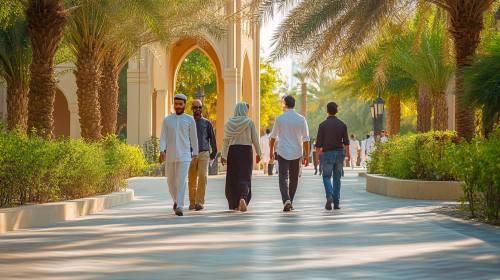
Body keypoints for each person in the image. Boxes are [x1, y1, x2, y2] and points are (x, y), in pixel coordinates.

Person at [159, 94, 198, 217]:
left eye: (180, 104)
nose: (178, 106)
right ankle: (176, 200)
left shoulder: (190, 120)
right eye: (176, 104)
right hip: (170, 155)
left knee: (182, 180)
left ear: (185, 105)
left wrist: (195, 153)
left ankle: (180, 206)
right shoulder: (167, 120)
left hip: (185, 155)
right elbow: (163, 136)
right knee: (171, 181)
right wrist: (162, 151)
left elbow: (194, 138)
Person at [269, 95, 310, 212]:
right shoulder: (301, 119)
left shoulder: (280, 118)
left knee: (283, 176)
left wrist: (272, 150)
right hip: (297, 152)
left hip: (283, 151)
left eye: (282, 103)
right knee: (294, 178)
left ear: (285, 104)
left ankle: (286, 200)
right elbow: (306, 138)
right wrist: (306, 155)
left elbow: (273, 136)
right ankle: (289, 200)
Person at [221, 102, 262, 211]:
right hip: (246, 152)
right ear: (244, 110)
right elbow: (255, 139)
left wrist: (223, 155)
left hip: (233, 151)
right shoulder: (249, 123)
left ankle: (234, 204)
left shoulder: (229, 122)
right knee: (245, 176)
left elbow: (226, 140)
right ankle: (243, 198)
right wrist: (259, 153)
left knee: (232, 178)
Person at [315, 102, 349, 210]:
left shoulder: (322, 125)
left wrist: (316, 157)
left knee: (326, 176)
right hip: (339, 154)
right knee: (337, 178)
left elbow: (318, 144)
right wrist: (346, 154)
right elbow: (346, 142)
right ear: (337, 111)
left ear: (327, 111)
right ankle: (337, 203)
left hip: (327, 154)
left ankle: (329, 196)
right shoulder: (343, 124)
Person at [188, 99, 217, 211]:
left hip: (204, 152)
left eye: (199, 107)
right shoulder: (188, 122)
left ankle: (200, 201)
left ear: (202, 108)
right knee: (192, 179)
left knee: (203, 177)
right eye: (195, 107)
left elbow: (212, 138)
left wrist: (214, 153)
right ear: (192, 109)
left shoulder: (207, 123)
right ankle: (192, 201)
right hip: (191, 153)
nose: (198, 109)